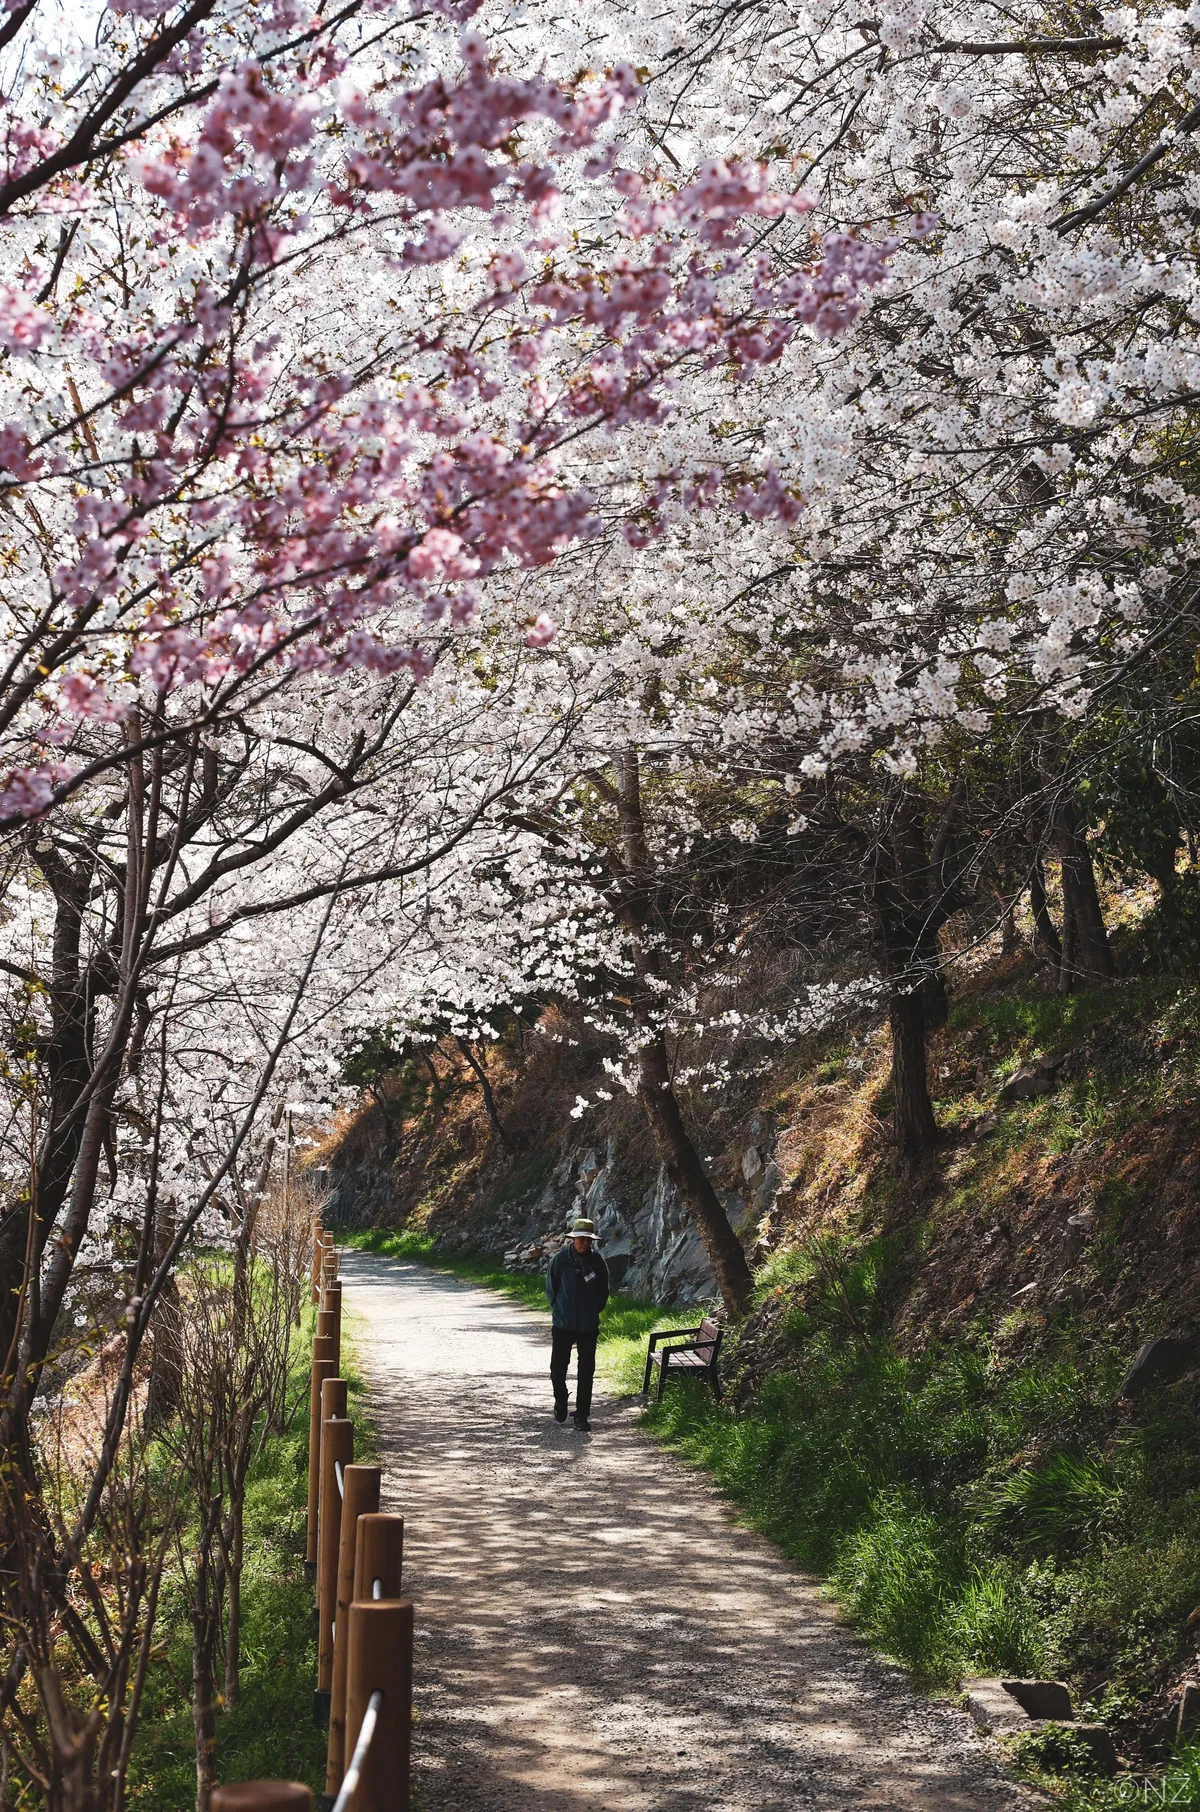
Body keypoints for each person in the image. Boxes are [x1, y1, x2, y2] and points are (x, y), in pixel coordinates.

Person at [545, 1216, 610, 1431]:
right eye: (580, 1239)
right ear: (573, 1239)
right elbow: (551, 1288)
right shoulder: (560, 1260)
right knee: (557, 1369)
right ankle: (561, 1401)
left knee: (586, 1371)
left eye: (587, 1240)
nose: (583, 1243)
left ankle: (582, 1415)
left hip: (588, 1326)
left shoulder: (598, 1262)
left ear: (591, 1241)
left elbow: (603, 1293)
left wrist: (592, 1310)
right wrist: (559, 1309)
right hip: (563, 1324)